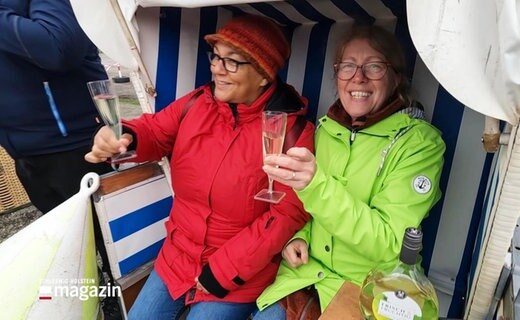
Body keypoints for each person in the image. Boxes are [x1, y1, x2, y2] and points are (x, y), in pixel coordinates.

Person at [85, 14, 315, 320]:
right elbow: (154, 131)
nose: (217, 68)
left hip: (238, 273)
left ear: (263, 74)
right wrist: (122, 136)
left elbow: (288, 213)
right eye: (216, 57)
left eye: (232, 61)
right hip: (177, 257)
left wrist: (221, 272)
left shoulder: (295, 131)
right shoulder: (196, 103)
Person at [254, 24, 446, 319]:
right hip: (304, 275)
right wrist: (300, 236)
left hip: (368, 288)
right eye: (348, 66)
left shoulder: (420, 145)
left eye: (374, 66)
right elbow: (308, 208)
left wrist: (315, 184)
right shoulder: (326, 129)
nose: (358, 77)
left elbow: (389, 245)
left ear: (395, 77)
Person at [0, 0, 113, 213]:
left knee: (114, 241)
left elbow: (58, 48)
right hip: (25, 156)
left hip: (79, 148)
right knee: (73, 244)